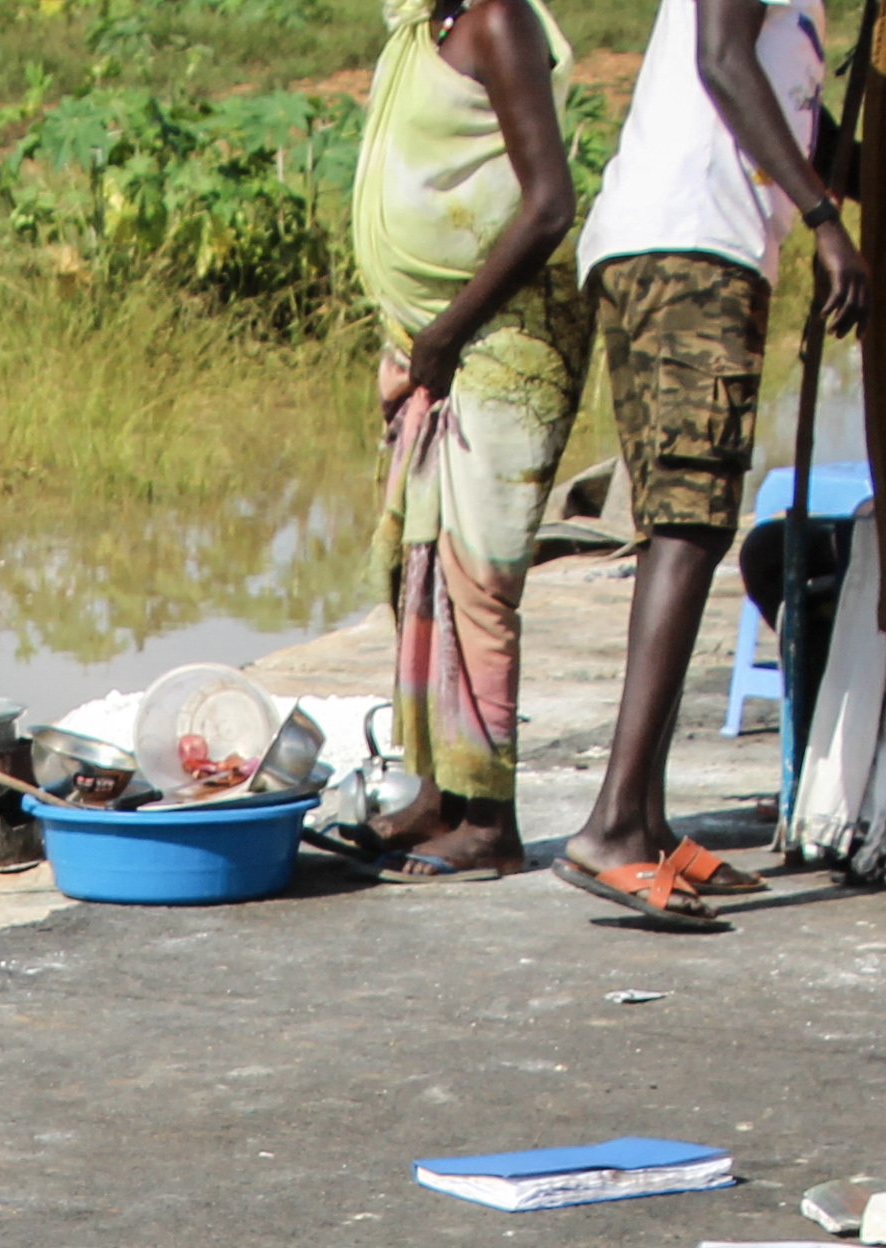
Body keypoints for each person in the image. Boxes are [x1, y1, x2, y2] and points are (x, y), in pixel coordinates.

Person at [557, 0, 863, 925]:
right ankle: (612, 825)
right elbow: (722, 62)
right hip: (688, 244)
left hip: (692, 244)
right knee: (690, 525)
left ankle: (645, 826)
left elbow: (802, 118)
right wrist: (822, 219)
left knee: (678, 525)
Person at [349, 0, 585, 878]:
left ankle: (491, 819)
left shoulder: (498, 21)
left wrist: (448, 329)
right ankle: (441, 792)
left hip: (503, 337)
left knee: (479, 578)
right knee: (425, 570)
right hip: (439, 341)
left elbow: (549, 205)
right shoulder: (421, 31)